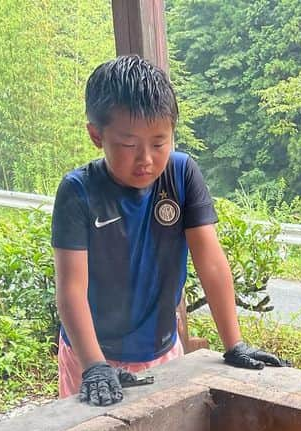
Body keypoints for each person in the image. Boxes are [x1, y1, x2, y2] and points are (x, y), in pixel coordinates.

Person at [52, 55, 286, 406]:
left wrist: (233, 344)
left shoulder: (181, 175)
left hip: (162, 350)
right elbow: (71, 289)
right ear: (96, 135)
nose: (145, 158)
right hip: (90, 358)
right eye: (129, 145)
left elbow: (211, 261)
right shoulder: (78, 191)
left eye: (159, 142)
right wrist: (94, 366)